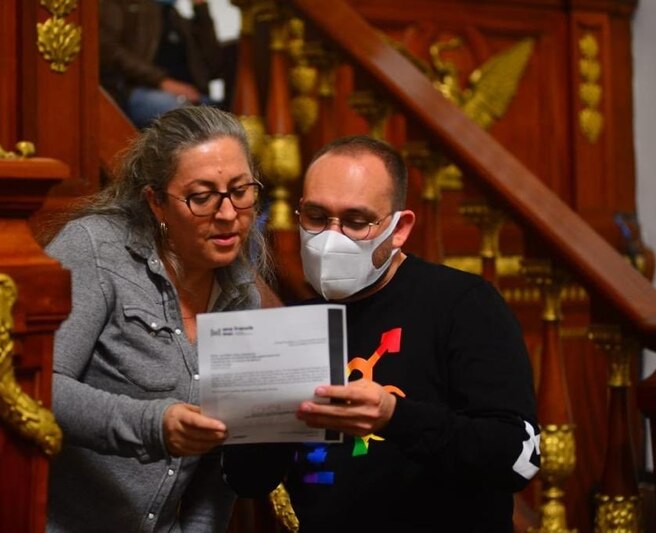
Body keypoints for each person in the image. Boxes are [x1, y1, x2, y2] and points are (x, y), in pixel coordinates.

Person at [222, 136, 540, 532]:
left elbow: (515, 457)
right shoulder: (296, 325)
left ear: (399, 228)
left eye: (356, 222)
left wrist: (394, 417)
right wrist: (245, 414)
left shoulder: (462, 304)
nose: (330, 238)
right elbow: (248, 480)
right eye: (316, 217)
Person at [45, 106, 277, 532]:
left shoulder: (243, 293)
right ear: (156, 202)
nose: (227, 214)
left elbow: (220, 460)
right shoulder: (96, 249)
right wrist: (154, 424)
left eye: (241, 191)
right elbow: (42, 388)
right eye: (202, 197)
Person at [99, 0, 224, 129]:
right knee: (183, 116)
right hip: (139, 90)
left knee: (225, 118)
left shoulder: (178, 18)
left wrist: (201, 9)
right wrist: (161, 81)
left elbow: (213, 65)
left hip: (192, 96)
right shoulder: (126, 7)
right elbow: (111, 52)